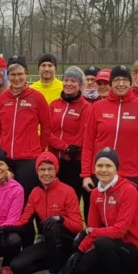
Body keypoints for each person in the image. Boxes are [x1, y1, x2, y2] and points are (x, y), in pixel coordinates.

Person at [65, 148, 138, 274]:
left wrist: (91, 232)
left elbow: (120, 230)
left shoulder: (129, 191)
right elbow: (93, 227)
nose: (103, 170)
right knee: (78, 269)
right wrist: (79, 250)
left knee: (102, 243)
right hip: (112, 247)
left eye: (108, 166)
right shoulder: (95, 193)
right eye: (100, 166)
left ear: (116, 169)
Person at [81, 66, 138, 254]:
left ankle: (134, 262)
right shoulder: (98, 107)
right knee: (102, 218)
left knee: (127, 223)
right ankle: (104, 259)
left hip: (132, 174)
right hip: (101, 173)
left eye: (125, 80)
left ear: (130, 82)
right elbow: (88, 143)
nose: (121, 84)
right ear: (111, 83)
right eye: (117, 81)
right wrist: (85, 174)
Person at [3, 151, 85, 274]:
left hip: (67, 240)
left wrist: (61, 219)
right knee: (18, 267)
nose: (46, 173)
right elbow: (23, 221)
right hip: (50, 241)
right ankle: (60, 264)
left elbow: (78, 226)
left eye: (50, 169)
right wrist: (4, 228)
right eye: (42, 169)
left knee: (51, 226)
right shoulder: (35, 192)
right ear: (37, 171)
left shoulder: (67, 191)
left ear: (56, 170)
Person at [0, 57, 51, 198]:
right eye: (13, 75)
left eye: (20, 74)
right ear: (8, 76)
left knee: (28, 199)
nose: (17, 78)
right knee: (8, 199)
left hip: (29, 159)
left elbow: (46, 127)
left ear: (26, 75)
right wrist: (4, 145)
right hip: (7, 160)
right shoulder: (1, 99)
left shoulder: (37, 98)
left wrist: (40, 149)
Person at [46, 66, 89, 210]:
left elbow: (84, 133)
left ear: (80, 85)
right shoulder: (54, 105)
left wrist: (71, 150)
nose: (69, 84)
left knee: (71, 202)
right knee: (52, 201)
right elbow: (47, 132)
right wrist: (65, 147)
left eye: (73, 81)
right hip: (54, 159)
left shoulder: (86, 107)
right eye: (66, 80)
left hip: (73, 162)